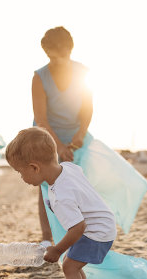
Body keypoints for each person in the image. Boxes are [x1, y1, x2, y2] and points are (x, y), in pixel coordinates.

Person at [5, 127, 116, 279]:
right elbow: (78, 177)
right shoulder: (68, 168)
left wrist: (57, 250)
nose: (22, 178)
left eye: (21, 172)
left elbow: (78, 227)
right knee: (72, 263)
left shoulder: (61, 196)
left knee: (69, 266)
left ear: (34, 167)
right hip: (102, 223)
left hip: (96, 230)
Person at [32, 26, 93, 247]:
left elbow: (87, 109)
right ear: (46, 53)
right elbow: (41, 119)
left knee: (79, 182)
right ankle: (47, 236)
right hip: (46, 135)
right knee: (47, 185)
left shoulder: (83, 72)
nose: (58, 61)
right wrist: (58, 147)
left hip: (75, 133)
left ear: (70, 49)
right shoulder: (39, 77)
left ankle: (81, 231)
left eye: (62, 56)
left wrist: (80, 133)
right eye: (52, 57)